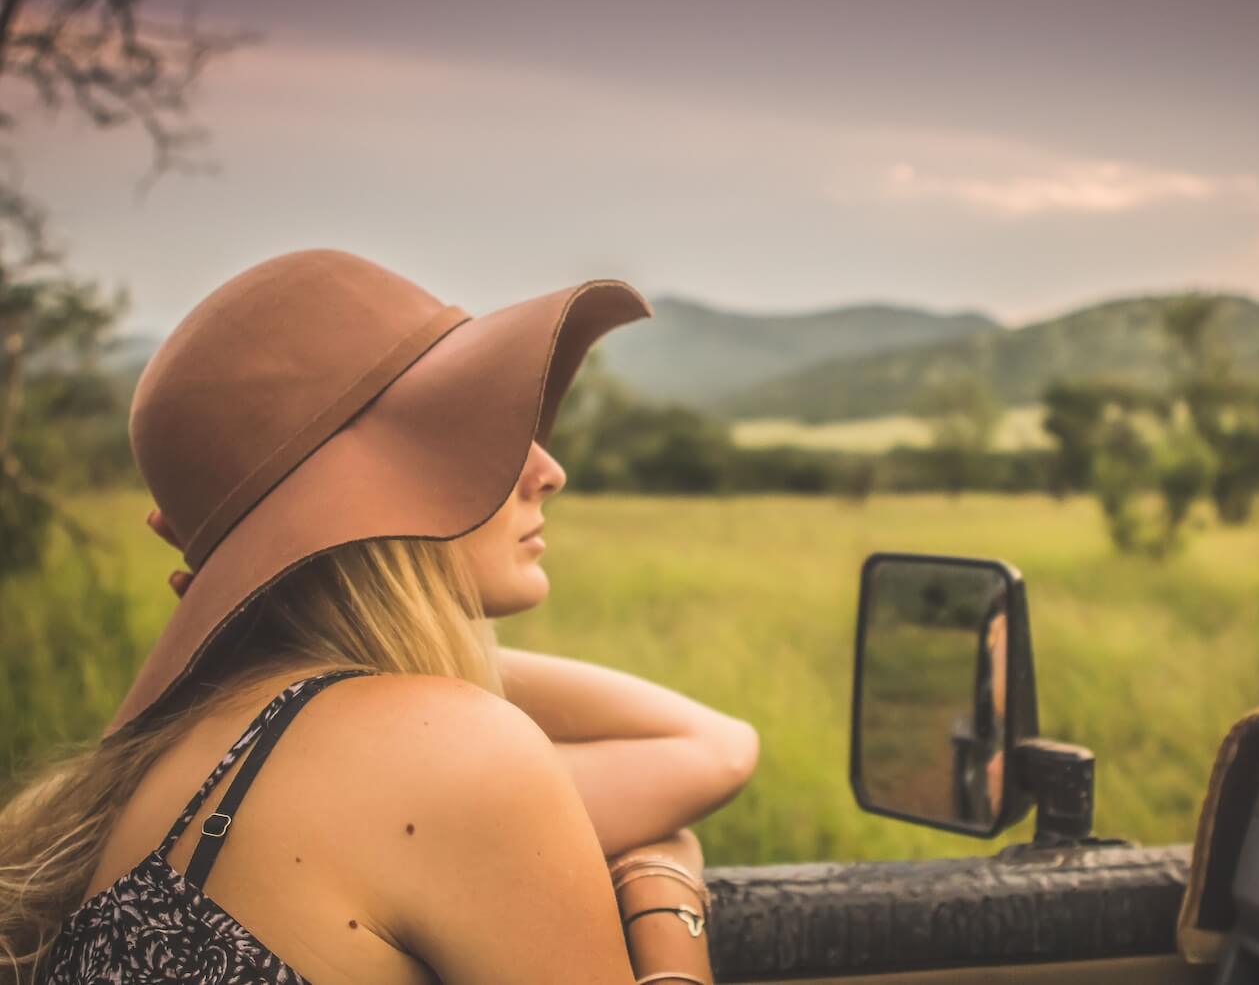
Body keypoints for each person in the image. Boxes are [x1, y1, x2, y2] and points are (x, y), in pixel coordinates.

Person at [0, 250, 758, 985]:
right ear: (366, 497)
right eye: (481, 433)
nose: (547, 470)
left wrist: (267, 608)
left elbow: (713, 747)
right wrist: (667, 910)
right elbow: (716, 746)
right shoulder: (441, 754)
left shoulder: (181, 759)